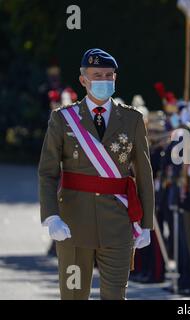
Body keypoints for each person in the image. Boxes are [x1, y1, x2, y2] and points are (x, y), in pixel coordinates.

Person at [38, 48, 154, 300]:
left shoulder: (132, 119)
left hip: (118, 223)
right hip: (73, 224)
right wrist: (51, 217)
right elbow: (47, 173)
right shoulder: (63, 119)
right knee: (74, 295)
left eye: (109, 75)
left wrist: (146, 225)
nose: (103, 80)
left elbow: (144, 174)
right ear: (83, 80)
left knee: (115, 297)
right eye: (97, 75)